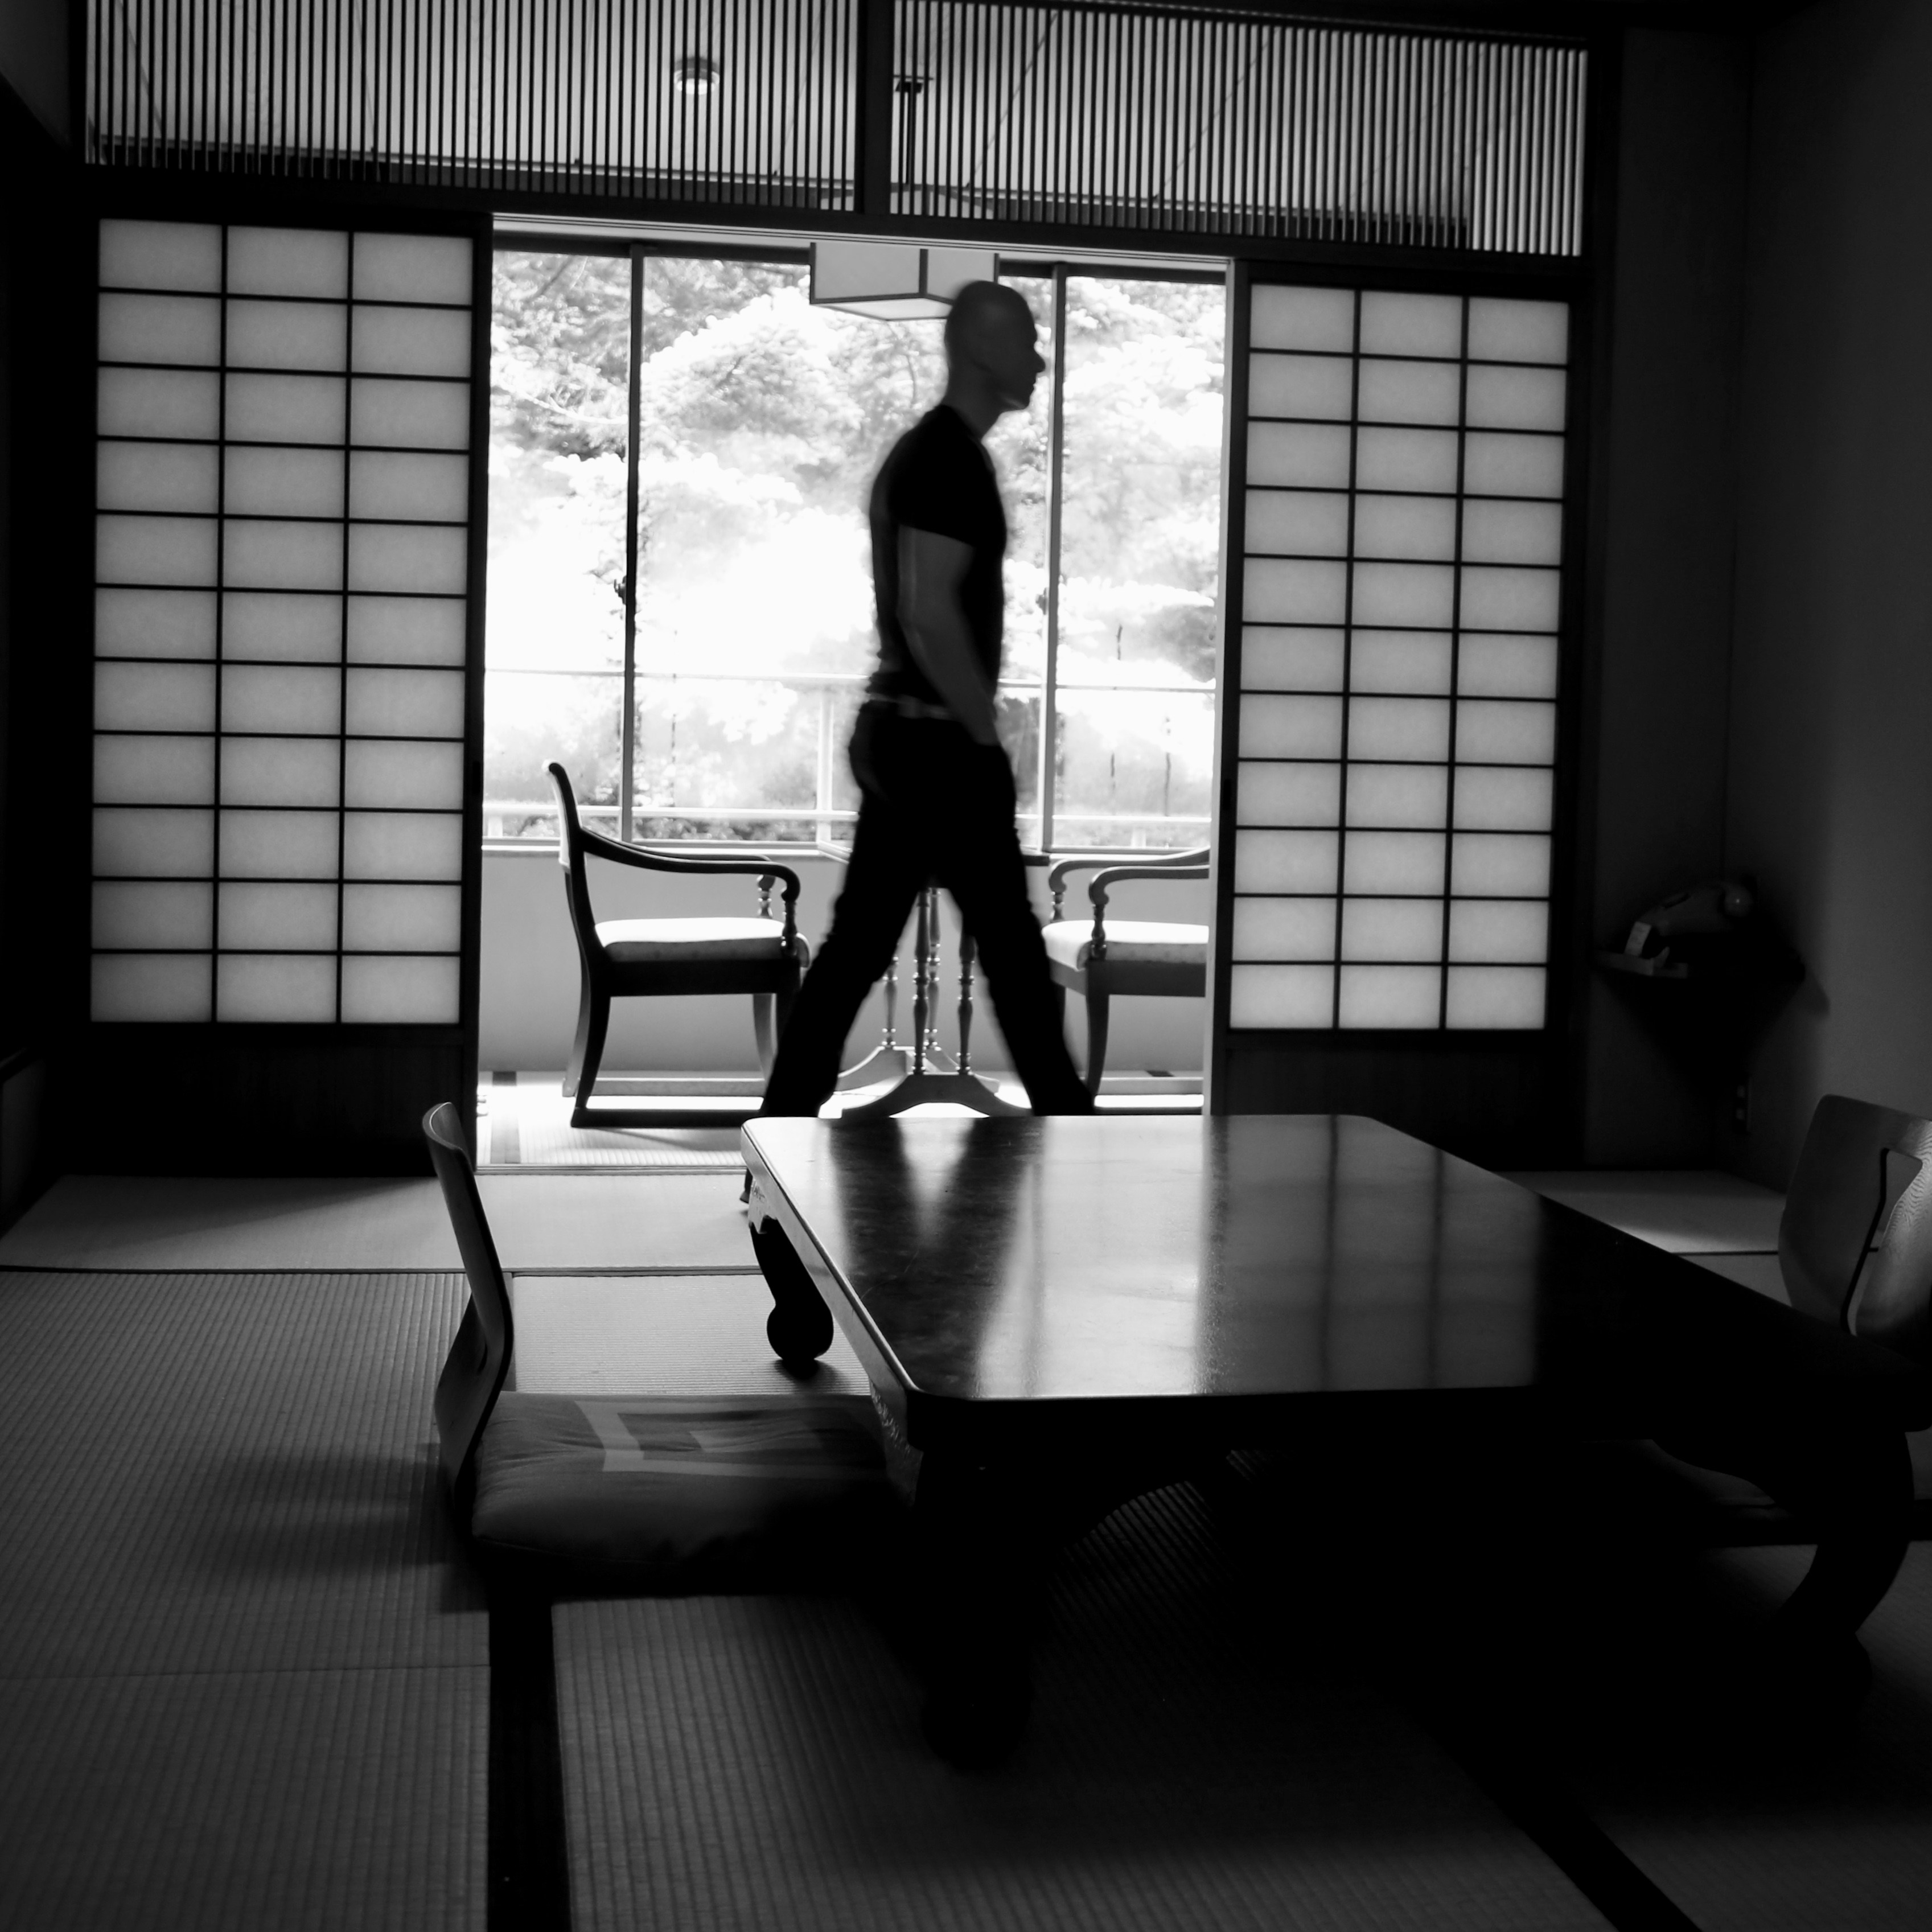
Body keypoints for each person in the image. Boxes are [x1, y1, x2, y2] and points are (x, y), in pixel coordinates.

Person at [758, 281, 1092, 1118]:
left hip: (909, 734)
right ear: (980, 348)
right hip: (935, 742)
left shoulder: (944, 453)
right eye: (1025, 341)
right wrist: (985, 734)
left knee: (862, 952)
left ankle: (774, 1141)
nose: (1039, 358)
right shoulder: (943, 458)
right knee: (1009, 955)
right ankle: (1073, 1136)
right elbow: (928, 609)